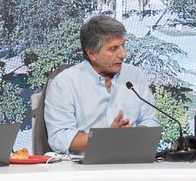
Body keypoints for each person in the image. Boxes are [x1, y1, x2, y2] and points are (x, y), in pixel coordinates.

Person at [42, 15, 159, 154]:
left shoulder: (135, 76)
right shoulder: (64, 83)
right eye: (113, 48)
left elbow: (150, 121)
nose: (123, 54)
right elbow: (59, 138)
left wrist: (131, 136)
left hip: (131, 161)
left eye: (123, 45)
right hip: (83, 169)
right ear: (92, 54)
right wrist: (107, 138)